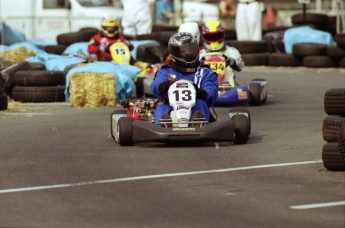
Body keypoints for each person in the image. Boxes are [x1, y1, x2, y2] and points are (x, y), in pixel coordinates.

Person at [150, 32, 218, 125]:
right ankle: (164, 123)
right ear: (175, 53)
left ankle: (198, 122)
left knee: (201, 104)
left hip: (195, 109)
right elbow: (155, 86)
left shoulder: (205, 73)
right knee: (161, 107)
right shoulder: (166, 72)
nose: (189, 53)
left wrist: (200, 93)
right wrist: (164, 86)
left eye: (191, 49)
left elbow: (211, 92)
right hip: (171, 108)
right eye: (184, 51)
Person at [200, 20, 244, 87]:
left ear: (222, 34)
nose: (213, 39)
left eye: (216, 36)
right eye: (210, 37)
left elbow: (240, 67)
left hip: (228, 87)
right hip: (206, 88)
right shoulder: (201, 54)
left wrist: (232, 62)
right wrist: (199, 64)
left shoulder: (231, 51)